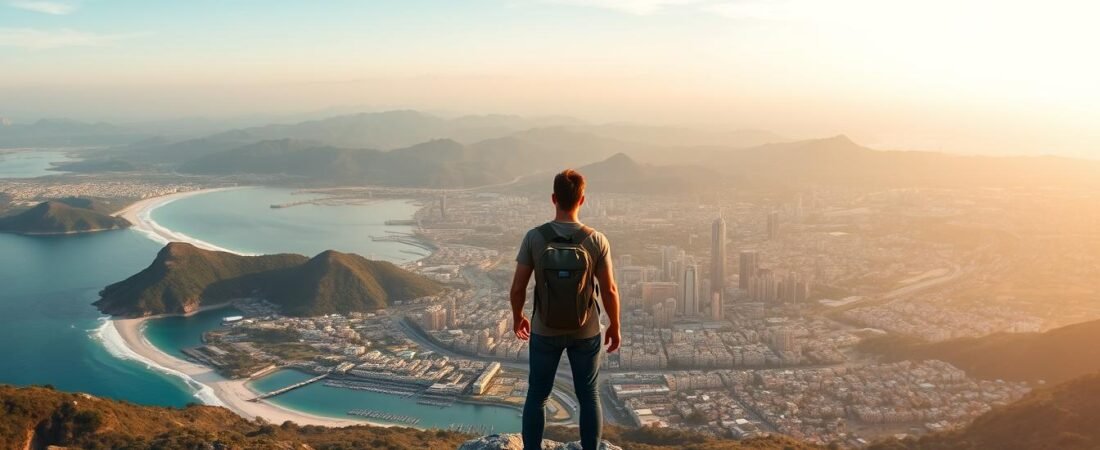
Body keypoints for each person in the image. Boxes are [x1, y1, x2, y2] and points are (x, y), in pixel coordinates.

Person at [510, 168, 621, 450]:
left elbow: (518, 287)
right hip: (586, 331)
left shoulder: (534, 237)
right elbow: (609, 290)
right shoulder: (596, 240)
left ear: (553, 198)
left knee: (537, 395)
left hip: (544, 329)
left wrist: (517, 317)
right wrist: (615, 326)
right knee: (589, 395)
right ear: (582, 200)